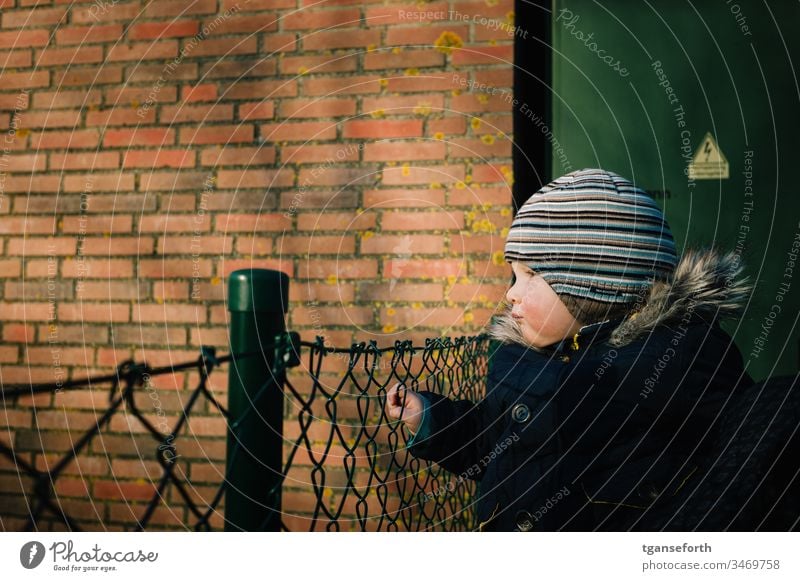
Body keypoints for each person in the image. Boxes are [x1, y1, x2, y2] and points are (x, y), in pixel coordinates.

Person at [385, 168, 754, 531]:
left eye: (531, 275)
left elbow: (735, 467)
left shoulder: (672, 364)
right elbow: (496, 445)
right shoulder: (523, 359)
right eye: (514, 274)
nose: (511, 292)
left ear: (596, 286)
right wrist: (433, 419)